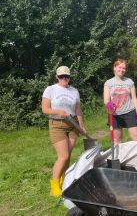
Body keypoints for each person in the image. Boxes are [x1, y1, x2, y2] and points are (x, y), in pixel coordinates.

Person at [42, 66, 87, 197]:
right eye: (61, 76)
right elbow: (45, 109)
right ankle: (54, 185)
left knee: (68, 155)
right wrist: (57, 111)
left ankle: (63, 179)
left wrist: (81, 126)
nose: (64, 79)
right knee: (63, 156)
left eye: (66, 76)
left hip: (72, 125)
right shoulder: (50, 89)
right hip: (57, 125)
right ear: (56, 77)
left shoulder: (74, 91)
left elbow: (78, 110)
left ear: (69, 77)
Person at [103, 59, 137, 144]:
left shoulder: (129, 82)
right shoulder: (108, 83)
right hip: (115, 115)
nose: (121, 70)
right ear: (114, 68)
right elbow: (106, 99)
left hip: (129, 112)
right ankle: (119, 157)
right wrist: (108, 103)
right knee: (117, 139)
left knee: (136, 137)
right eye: (119, 67)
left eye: (124, 68)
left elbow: (134, 98)